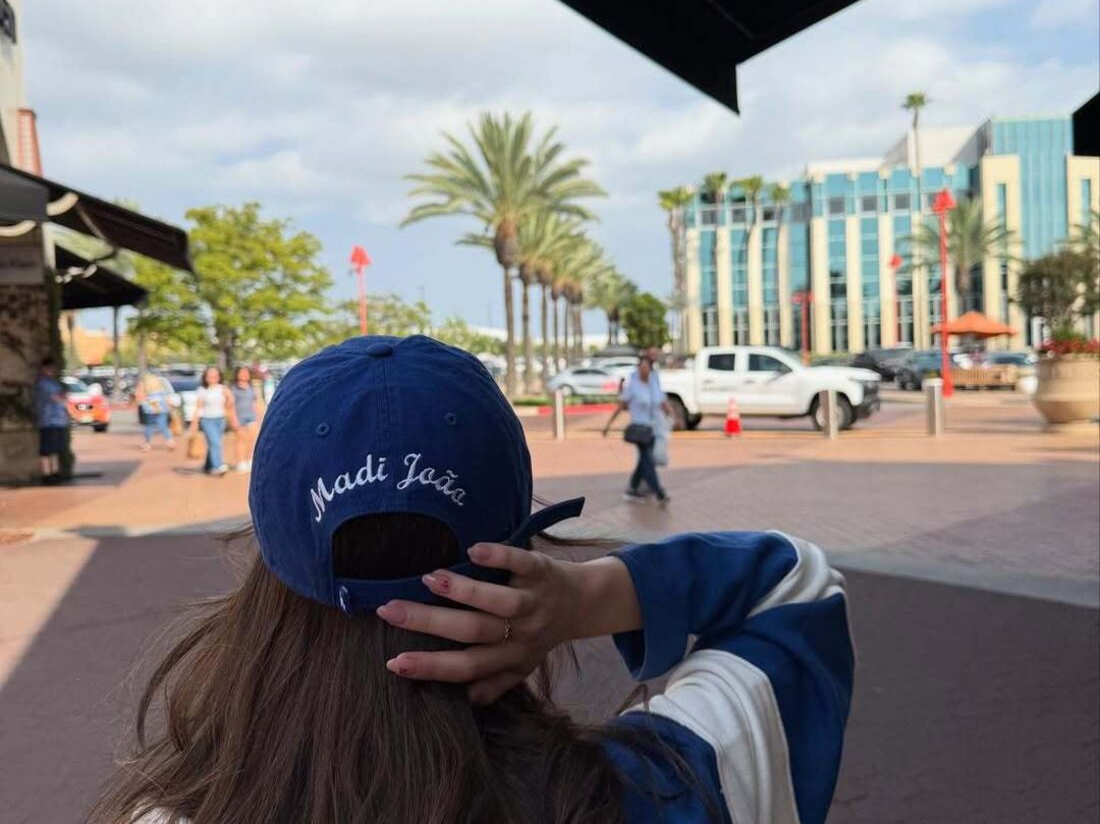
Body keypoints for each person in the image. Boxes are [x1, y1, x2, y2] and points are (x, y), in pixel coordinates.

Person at [89, 335, 853, 824]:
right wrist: (591, 597)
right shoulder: (671, 786)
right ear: (522, 546)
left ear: (270, 566)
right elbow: (798, 587)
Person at [602, 354, 673, 505]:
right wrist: (608, 425)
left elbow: (662, 402)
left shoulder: (653, 384)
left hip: (653, 429)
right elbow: (621, 406)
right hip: (640, 430)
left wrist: (671, 415)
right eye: (641, 367)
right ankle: (659, 492)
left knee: (644, 461)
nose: (643, 370)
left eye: (646, 367)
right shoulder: (633, 386)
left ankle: (632, 489)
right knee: (647, 460)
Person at [187, 366, 236, 476]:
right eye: (210, 376)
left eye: (215, 375)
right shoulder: (202, 390)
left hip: (220, 419)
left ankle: (208, 465)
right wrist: (194, 423)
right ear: (205, 377)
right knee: (215, 443)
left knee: (214, 444)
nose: (212, 378)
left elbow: (230, 402)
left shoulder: (222, 389)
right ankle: (218, 466)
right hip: (207, 419)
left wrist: (229, 398)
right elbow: (198, 407)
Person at [34, 357, 69, 485]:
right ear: (44, 369)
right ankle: (47, 473)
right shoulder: (43, 383)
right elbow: (57, 398)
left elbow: (62, 397)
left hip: (58, 420)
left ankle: (55, 472)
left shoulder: (53, 383)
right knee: (46, 449)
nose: (52, 371)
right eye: (49, 368)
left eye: (53, 368)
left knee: (55, 449)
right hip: (48, 421)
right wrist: (62, 397)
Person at [230, 366, 264, 473]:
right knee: (241, 440)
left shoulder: (251, 388)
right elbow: (230, 406)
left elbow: (255, 403)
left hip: (251, 416)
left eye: (246, 373)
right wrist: (233, 419)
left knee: (252, 439)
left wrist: (259, 416)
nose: (244, 375)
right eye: (241, 373)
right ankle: (240, 462)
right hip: (239, 417)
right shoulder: (233, 389)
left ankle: (249, 459)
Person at [134, 371, 174, 453]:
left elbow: (138, 395)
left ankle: (147, 444)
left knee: (149, 426)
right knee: (163, 426)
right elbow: (166, 396)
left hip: (150, 409)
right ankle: (170, 441)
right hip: (162, 408)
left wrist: (140, 403)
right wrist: (169, 406)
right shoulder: (160, 384)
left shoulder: (144, 384)